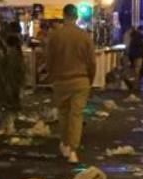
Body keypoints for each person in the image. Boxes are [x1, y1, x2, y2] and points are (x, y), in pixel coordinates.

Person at [46, 4, 95, 164]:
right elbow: (91, 62)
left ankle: (65, 143)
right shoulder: (84, 36)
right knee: (76, 115)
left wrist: (52, 78)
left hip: (61, 81)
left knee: (64, 114)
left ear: (64, 15)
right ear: (76, 16)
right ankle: (73, 150)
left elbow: (49, 60)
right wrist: (90, 79)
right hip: (81, 80)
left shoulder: (55, 36)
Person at [126, 25, 143, 90]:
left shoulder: (132, 37)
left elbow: (129, 46)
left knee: (134, 69)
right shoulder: (139, 37)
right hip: (138, 55)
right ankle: (136, 85)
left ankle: (133, 84)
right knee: (137, 70)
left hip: (132, 55)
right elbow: (141, 47)